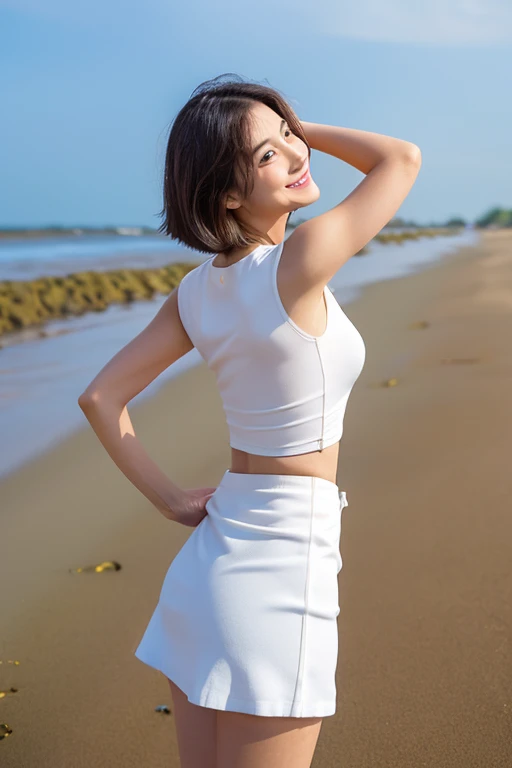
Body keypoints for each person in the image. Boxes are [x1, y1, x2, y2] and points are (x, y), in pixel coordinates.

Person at [78, 73, 421, 768]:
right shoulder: (296, 262)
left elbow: (100, 397)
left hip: (208, 569)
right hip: (281, 569)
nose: (297, 156)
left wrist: (172, 500)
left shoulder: (197, 291)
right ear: (228, 192)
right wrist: (296, 122)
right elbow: (401, 159)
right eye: (269, 156)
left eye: (291, 140)